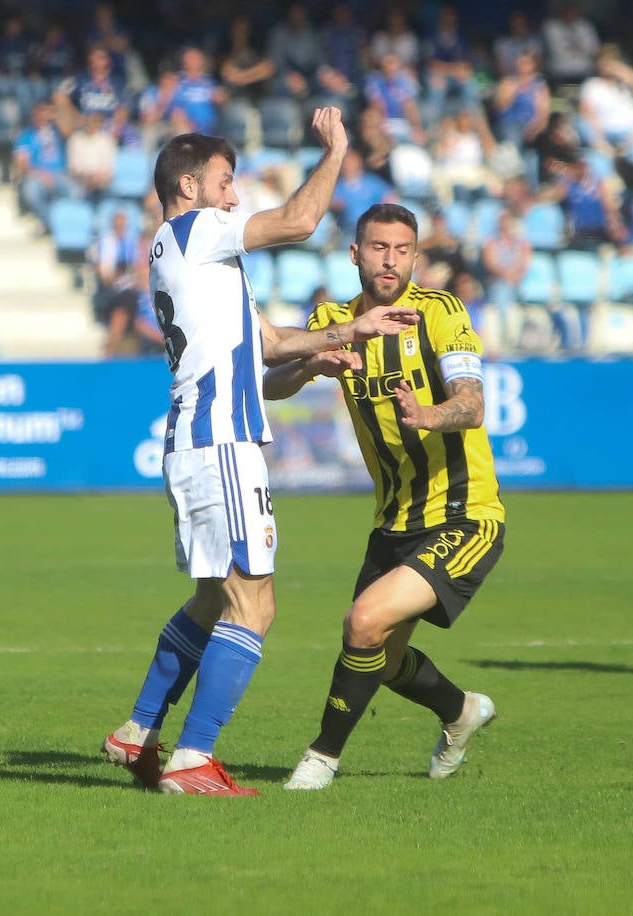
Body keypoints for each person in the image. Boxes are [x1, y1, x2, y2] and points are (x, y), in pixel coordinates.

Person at [100, 108, 422, 796]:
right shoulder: (194, 229)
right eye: (225, 182)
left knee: (212, 602)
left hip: (199, 439)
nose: (234, 196)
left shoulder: (192, 258)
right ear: (188, 185)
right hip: (220, 444)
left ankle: (137, 733)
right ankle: (193, 760)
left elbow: (269, 348)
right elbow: (301, 220)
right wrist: (335, 152)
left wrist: (339, 339)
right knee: (256, 605)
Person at [264, 202, 506, 791]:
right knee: (383, 655)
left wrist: (430, 413)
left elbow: (472, 401)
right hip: (392, 521)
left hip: (465, 514)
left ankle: (321, 759)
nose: (390, 261)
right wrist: (309, 367)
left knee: (363, 621)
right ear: (355, 253)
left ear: (416, 257)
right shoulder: (332, 318)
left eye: (402, 250)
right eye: (378, 248)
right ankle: (460, 712)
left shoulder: (440, 313)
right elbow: (270, 383)